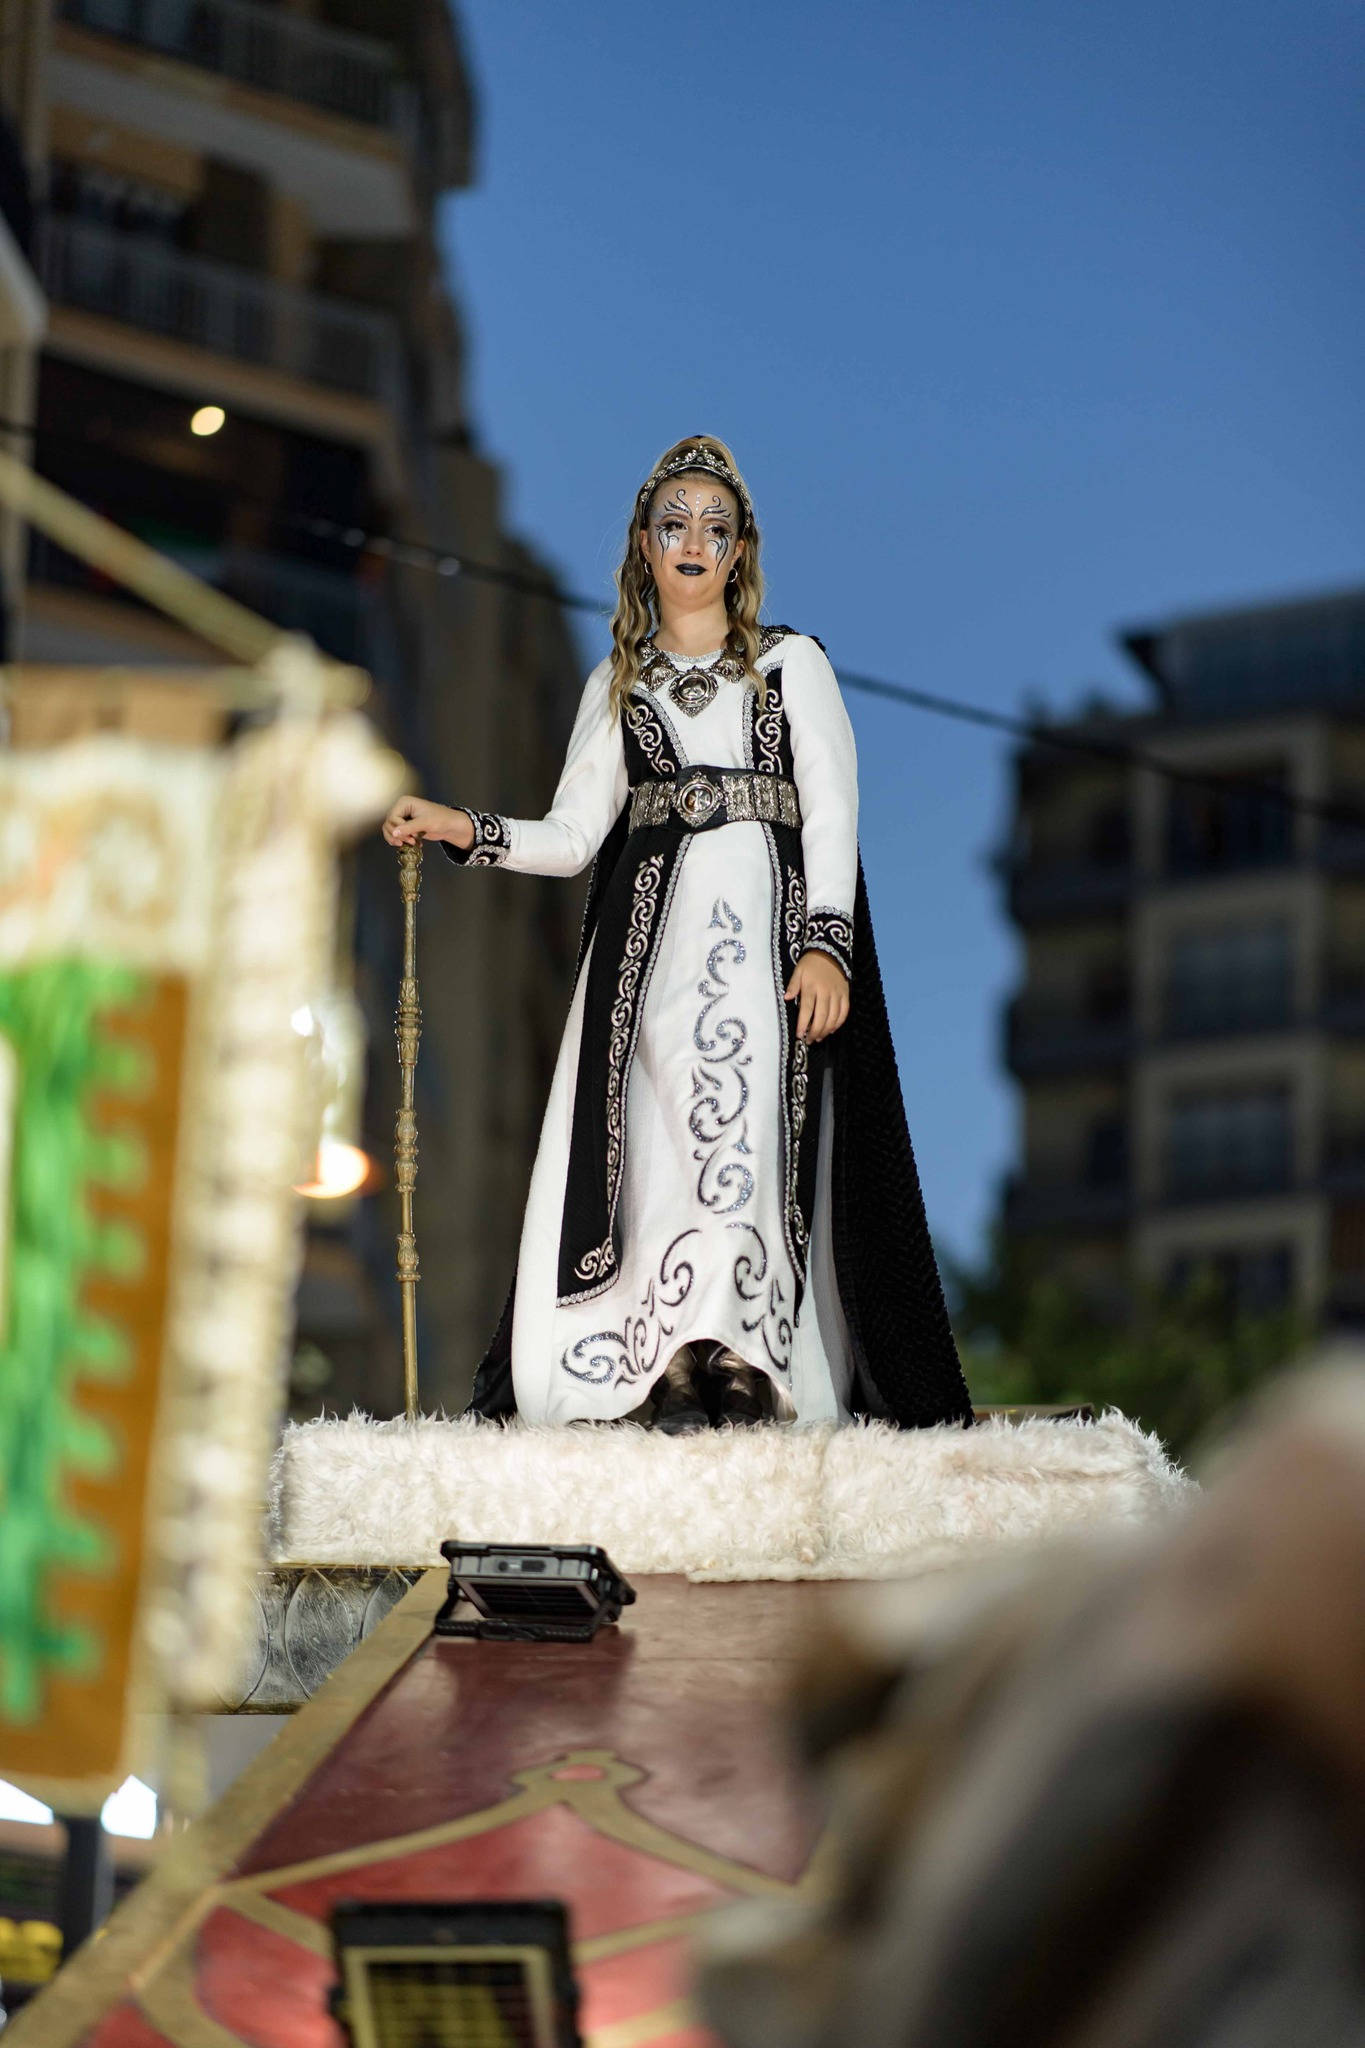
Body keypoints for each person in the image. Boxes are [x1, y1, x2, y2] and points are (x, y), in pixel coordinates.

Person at [384, 435, 971, 1433]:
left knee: (746, 1132)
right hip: (647, 962)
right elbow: (574, 838)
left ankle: (739, 1356)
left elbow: (832, 808)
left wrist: (826, 942)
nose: (693, 542)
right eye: (674, 524)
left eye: (714, 526)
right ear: (644, 547)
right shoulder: (618, 687)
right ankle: (664, 1364)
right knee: (657, 1151)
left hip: (764, 947)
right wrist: (463, 828)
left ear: (739, 551)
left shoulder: (790, 665)